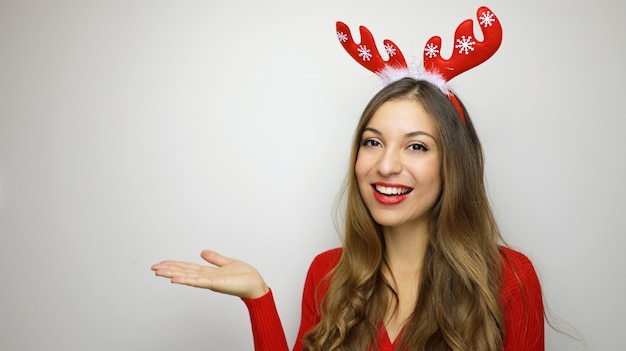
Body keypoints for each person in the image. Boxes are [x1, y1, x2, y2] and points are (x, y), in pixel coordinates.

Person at [151, 77, 545, 350]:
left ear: (453, 166)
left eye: (417, 147)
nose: (386, 165)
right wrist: (259, 298)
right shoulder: (327, 275)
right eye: (373, 142)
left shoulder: (511, 279)